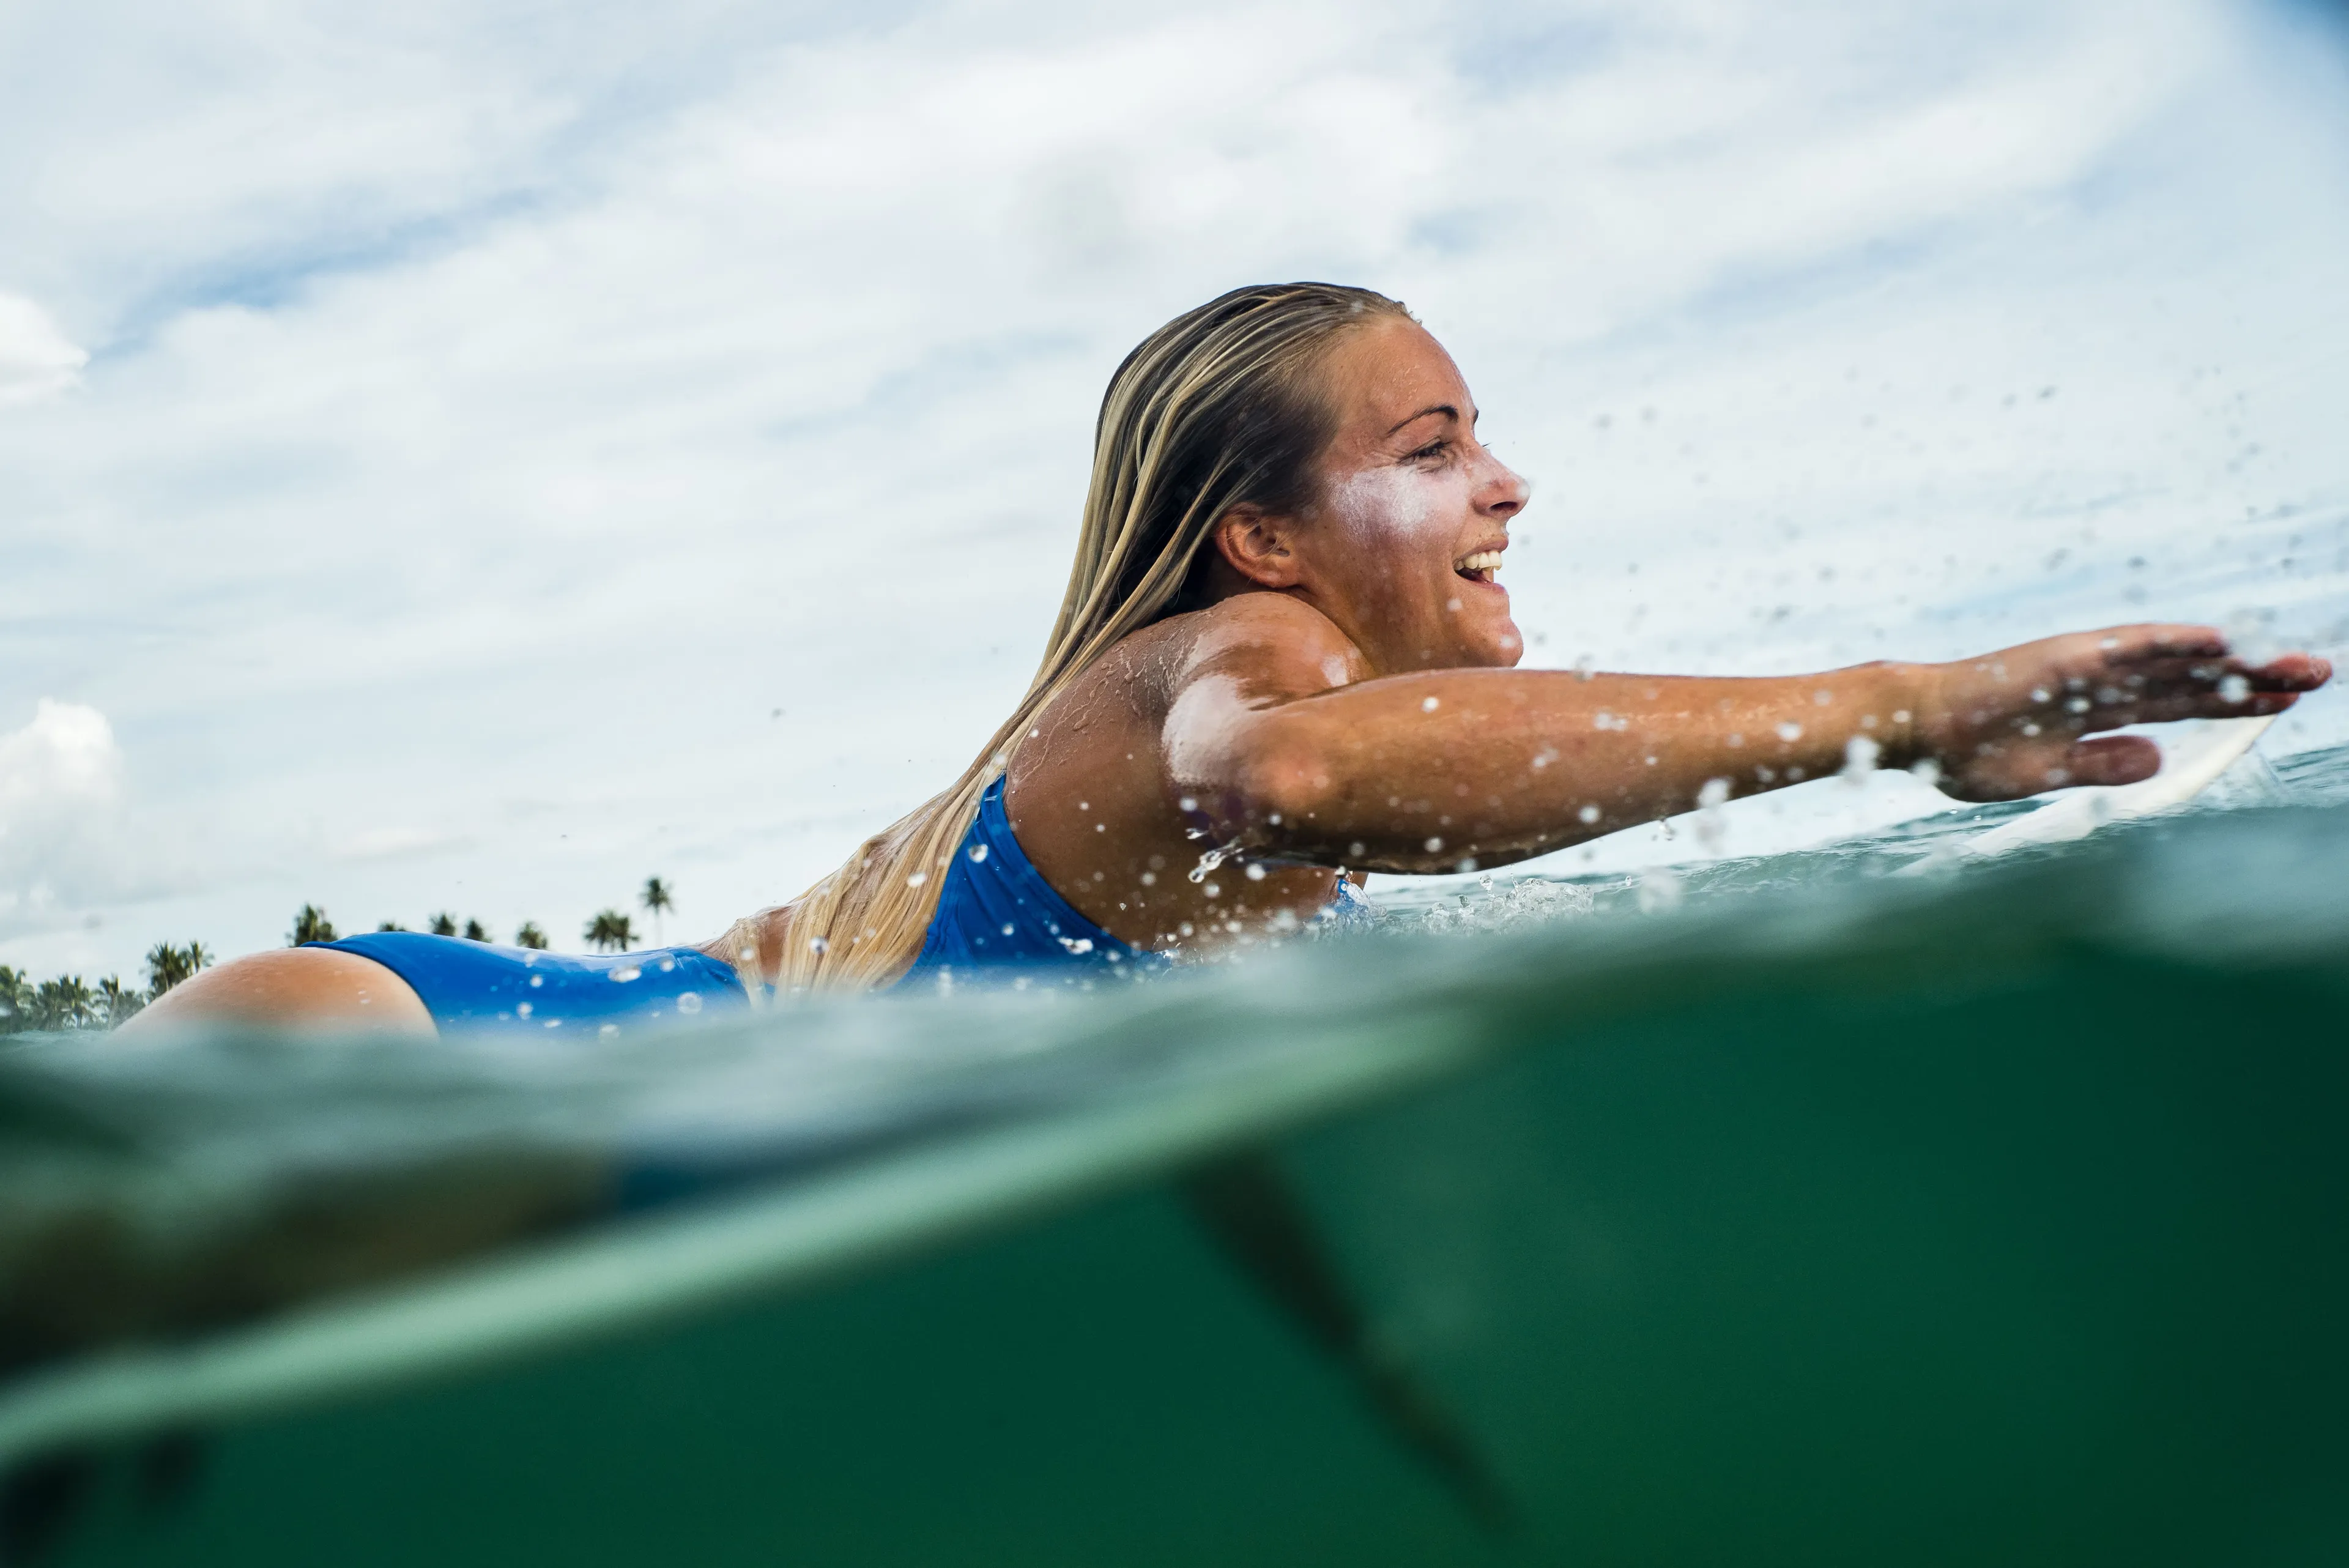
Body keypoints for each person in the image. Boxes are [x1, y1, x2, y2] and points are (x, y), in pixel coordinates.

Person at [129, 282, 2331, 1036]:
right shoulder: (1252, 652)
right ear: (1264, 535)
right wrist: (1910, 711)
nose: (1510, 488)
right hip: (391, 1046)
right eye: (1433, 449)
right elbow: (1288, 776)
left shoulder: (1256, 861)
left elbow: (1172, 1096)